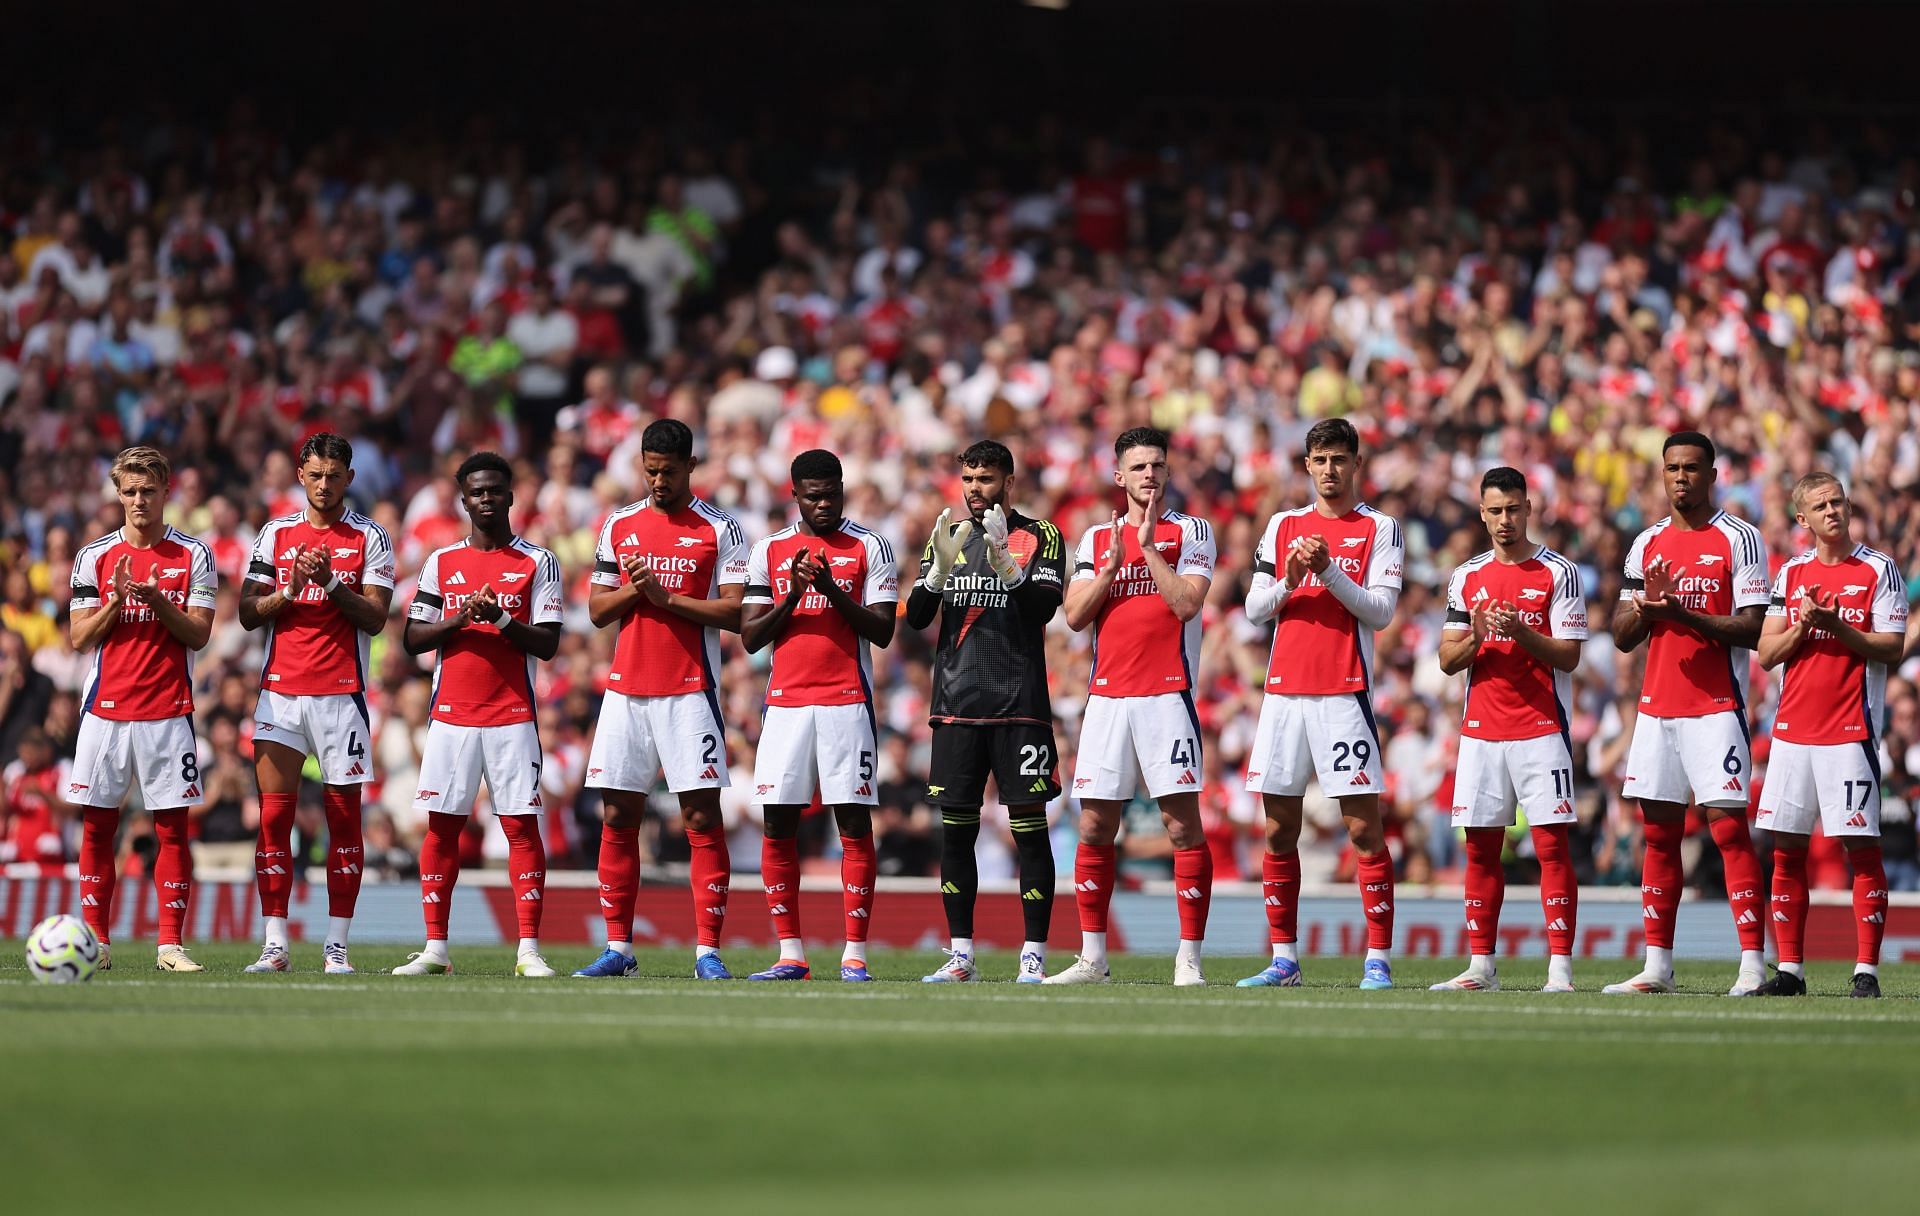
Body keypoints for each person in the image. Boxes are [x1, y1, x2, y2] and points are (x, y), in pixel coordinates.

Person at [573, 419, 749, 980]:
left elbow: (734, 614)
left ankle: (707, 951)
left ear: (690, 467)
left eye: (667, 471)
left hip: (690, 691)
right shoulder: (619, 524)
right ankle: (618, 948)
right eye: (649, 470)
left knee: (700, 816)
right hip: (626, 692)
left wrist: (664, 596)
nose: (657, 480)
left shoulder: (721, 528)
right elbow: (598, 610)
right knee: (618, 815)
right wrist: (635, 591)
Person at [1237, 418, 1404, 990]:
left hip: (1343, 692)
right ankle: (1284, 959)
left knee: (1363, 830)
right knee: (1278, 831)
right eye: (1319, 460)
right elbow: (1254, 610)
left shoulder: (1380, 528)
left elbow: (1380, 612)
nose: (1329, 470)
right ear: (1306, 465)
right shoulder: (1284, 524)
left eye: (1339, 459)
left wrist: (1328, 570)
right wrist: (1288, 579)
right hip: (1283, 694)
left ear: (1356, 463)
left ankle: (1377, 959)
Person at [1604, 432, 1771, 996]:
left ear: (1712, 474)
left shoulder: (1740, 540)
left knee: (1728, 830)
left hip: (1716, 708)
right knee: (1658, 836)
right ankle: (1658, 966)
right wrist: (1649, 611)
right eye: (1672, 468)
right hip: (1657, 711)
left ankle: (1751, 963)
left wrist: (1686, 613)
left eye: (1692, 469)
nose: (1681, 478)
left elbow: (1751, 628)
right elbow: (1623, 637)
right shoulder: (1645, 543)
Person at [1050, 426, 1216, 986]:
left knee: (1180, 825)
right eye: (1139, 466)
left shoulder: (1191, 530)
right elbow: (1073, 616)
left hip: (1167, 692)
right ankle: (1093, 958)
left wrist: (1146, 548)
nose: (1149, 474)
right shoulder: (1096, 538)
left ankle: (1188, 957)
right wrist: (1113, 565)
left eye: (1157, 466)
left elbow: (1187, 604)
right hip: (1106, 696)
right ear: (1118, 475)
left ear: (1168, 473)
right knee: (1095, 824)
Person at [394, 452, 563, 977]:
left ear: (511, 496)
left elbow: (549, 643)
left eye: (495, 490)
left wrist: (503, 619)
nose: (486, 499)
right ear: (463, 499)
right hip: (451, 716)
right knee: (441, 830)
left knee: (520, 828)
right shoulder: (441, 562)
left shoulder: (539, 561)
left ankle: (528, 950)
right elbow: (412, 639)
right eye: (476, 492)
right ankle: (435, 949)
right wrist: (463, 616)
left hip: (513, 716)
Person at [906, 440, 1066, 983]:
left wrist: (1008, 565)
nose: (977, 489)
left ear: (1009, 482)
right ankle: (961, 955)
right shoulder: (946, 536)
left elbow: (1046, 608)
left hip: (1020, 705)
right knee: (956, 834)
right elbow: (917, 619)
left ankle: (1033, 956)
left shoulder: (1039, 535)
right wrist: (934, 574)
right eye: (970, 479)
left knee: (1030, 832)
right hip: (955, 706)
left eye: (987, 479)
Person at [237, 433, 396, 975]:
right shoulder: (275, 533)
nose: (325, 485)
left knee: (343, 821)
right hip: (280, 692)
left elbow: (376, 618)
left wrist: (329, 583)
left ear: (349, 478)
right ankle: (275, 942)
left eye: (334, 475)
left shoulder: (371, 537)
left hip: (340, 696)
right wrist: (288, 590)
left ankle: (336, 945)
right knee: (274, 819)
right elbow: (247, 612)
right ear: (300, 477)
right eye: (315, 475)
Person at [740, 449, 898, 981]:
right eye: (813, 496)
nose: (824, 504)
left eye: (832, 493)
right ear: (795, 496)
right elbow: (750, 636)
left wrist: (830, 588)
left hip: (846, 702)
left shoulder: (869, 546)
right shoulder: (769, 549)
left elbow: (882, 631)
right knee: (778, 823)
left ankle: (854, 952)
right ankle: (791, 953)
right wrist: (793, 595)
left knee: (852, 822)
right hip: (784, 705)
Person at [1431, 467, 1586, 992]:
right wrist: (1477, 639)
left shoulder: (1557, 572)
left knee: (1551, 847)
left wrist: (1521, 631)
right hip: (1480, 731)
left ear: (1529, 508)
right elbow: (1448, 659)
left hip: (1542, 728)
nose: (1504, 520)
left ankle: (1560, 969)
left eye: (1513, 509)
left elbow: (1570, 656)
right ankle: (1481, 966)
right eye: (1495, 510)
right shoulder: (1466, 577)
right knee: (1479, 847)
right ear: (1482, 512)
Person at [1753, 472, 1904, 998]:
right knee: (1786, 852)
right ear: (1803, 519)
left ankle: (1867, 971)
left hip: (1850, 731)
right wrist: (1803, 624)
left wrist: (1836, 627)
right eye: (1820, 506)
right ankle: (1790, 970)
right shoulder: (1791, 573)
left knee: (1861, 849)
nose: (1833, 511)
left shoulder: (1879, 569)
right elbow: (1768, 653)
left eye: (1838, 501)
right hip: (1792, 732)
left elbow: (1892, 648)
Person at [67, 446, 217, 972]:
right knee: (96, 829)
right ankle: (96, 942)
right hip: (105, 712)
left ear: (165, 492)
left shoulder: (193, 555)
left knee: (172, 829)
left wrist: (157, 602)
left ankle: (170, 945)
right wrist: (115, 600)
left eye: (148, 490)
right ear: (117, 494)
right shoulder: (94, 556)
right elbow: (79, 638)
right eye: (129, 491)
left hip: (168, 711)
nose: (138, 500)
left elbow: (199, 632)